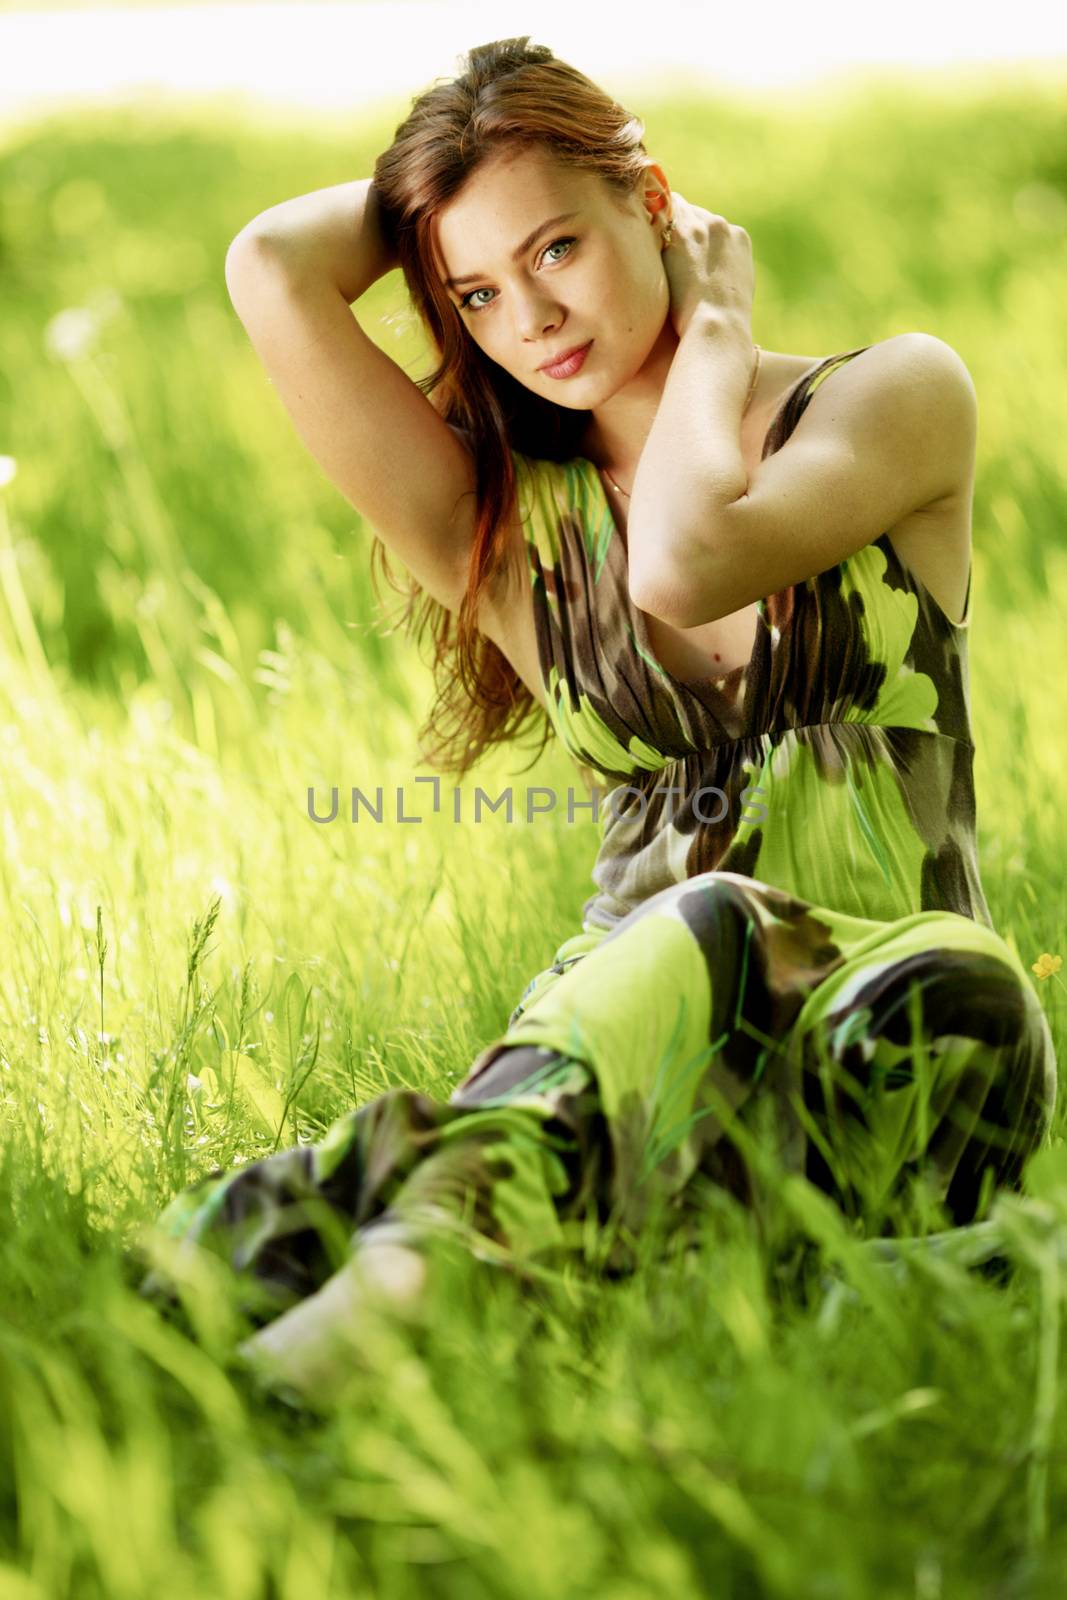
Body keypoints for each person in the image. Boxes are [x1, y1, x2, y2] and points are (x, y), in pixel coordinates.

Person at [134, 37, 1058, 1407]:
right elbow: (272, 263)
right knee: (642, 986)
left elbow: (687, 560)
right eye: (477, 292)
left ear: (657, 204)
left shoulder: (890, 398)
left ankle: (388, 1280)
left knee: (727, 922)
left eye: (557, 247)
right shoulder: (497, 517)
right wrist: (448, 175)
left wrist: (719, 335)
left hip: (900, 1014)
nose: (530, 321)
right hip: (629, 1059)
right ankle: (334, 1305)